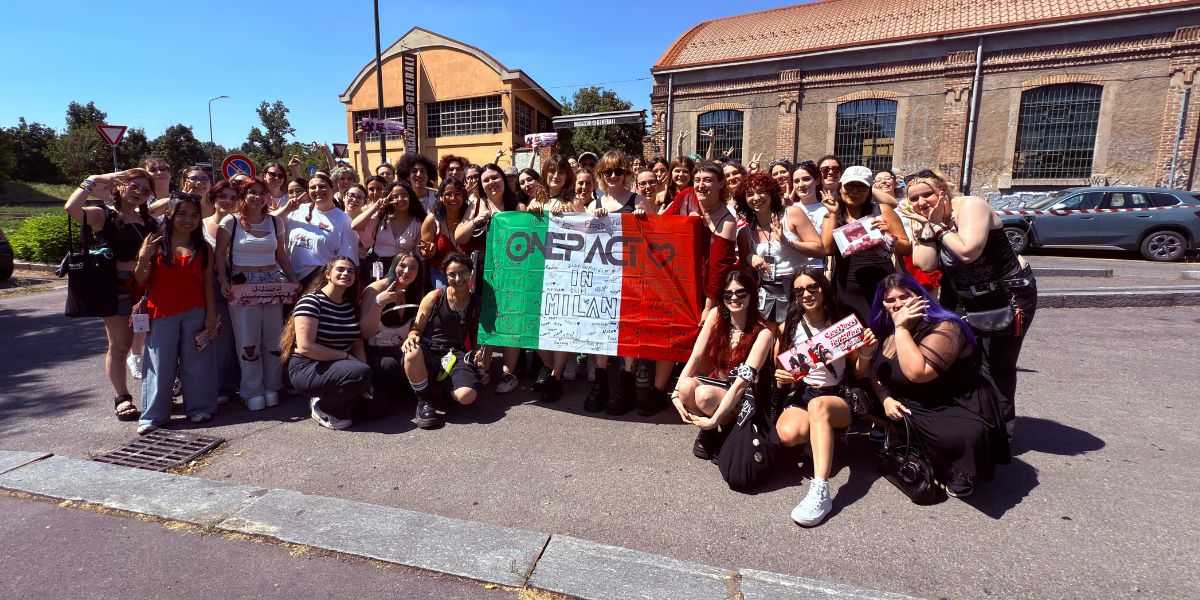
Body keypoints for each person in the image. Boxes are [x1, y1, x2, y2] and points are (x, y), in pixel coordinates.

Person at [899, 173, 1036, 439]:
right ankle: (968, 423)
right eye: (913, 198)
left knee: (998, 365)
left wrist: (937, 227)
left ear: (943, 191)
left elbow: (968, 252)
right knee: (956, 359)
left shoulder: (971, 206)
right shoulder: (923, 219)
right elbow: (925, 263)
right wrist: (926, 229)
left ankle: (1000, 435)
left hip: (1006, 295)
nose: (921, 202)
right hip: (960, 296)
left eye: (927, 194)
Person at [869, 274, 1011, 497]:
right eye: (890, 300)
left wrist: (902, 329)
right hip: (909, 397)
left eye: (904, 297)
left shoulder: (946, 326)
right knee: (859, 393)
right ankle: (905, 437)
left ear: (920, 297)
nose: (897, 304)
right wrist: (884, 398)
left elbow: (917, 373)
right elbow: (873, 369)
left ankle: (956, 468)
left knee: (959, 436)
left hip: (951, 401)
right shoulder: (886, 329)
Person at [773, 268, 877, 526]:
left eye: (812, 287)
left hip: (836, 396)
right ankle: (821, 438)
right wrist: (783, 378)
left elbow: (858, 372)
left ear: (823, 288)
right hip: (804, 393)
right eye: (799, 290)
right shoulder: (788, 328)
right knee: (788, 434)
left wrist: (865, 353)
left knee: (819, 406)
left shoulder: (842, 324)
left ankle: (820, 489)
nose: (807, 294)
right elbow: (782, 372)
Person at [64, 168, 157, 422]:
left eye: (145, 190)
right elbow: (72, 209)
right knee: (120, 345)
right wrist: (92, 180)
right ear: (120, 186)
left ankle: (156, 391)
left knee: (154, 343)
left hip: (148, 288)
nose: (138, 192)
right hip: (116, 288)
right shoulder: (104, 215)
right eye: (134, 186)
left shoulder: (147, 220)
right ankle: (122, 397)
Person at [132, 194, 218, 434]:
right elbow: (141, 279)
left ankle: (200, 408)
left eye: (194, 215)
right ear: (169, 215)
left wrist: (211, 315)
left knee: (197, 363)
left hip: (196, 311)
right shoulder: (156, 243)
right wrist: (143, 258)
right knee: (159, 365)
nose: (188, 219)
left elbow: (208, 284)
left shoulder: (204, 248)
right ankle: (153, 416)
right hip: (162, 312)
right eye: (182, 214)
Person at [672, 270, 775, 460]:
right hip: (718, 383)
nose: (734, 298)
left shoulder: (763, 334)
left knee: (704, 395)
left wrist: (714, 420)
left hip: (743, 394)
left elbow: (741, 384)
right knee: (686, 386)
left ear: (752, 295)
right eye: (728, 294)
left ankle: (727, 431)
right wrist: (675, 394)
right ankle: (709, 433)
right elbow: (696, 357)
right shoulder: (716, 315)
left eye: (741, 292)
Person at [215, 177, 297, 411]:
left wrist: (292, 279)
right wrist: (223, 280)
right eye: (252, 192)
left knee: (273, 337)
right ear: (243, 195)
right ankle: (251, 390)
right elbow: (219, 254)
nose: (258, 197)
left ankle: (273, 385)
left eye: (262, 193)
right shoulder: (230, 222)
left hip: (272, 284)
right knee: (247, 339)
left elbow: (281, 256)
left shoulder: (275, 222)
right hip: (243, 285)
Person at [583, 150, 653, 414]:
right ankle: (601, 380)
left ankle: (627, 380)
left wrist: (644, 218)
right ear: (601, 174)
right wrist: (593, 221)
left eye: (618, 171)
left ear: (626, 173)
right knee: (601, 327)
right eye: (608, 172)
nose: (613, 176)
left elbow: (659, 235)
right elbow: (583, 241)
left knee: (628, 327)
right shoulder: (594, 204)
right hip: (602, 277)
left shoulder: (638, 200)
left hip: (632, 276)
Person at [280, 256, 372, 430]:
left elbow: (357, 344)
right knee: (359, 373)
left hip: (340, 366)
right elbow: (306, 347)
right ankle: (323, 407)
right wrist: (347, 358)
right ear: (328, 274)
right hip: (308, 366)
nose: (346, 273)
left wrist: (366, 380)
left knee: (376, 407)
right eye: (341, 269)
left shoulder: (350, 306)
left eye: (351, 271)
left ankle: (339, 404)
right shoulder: (311, 302)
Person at [402, 252, 484, 429]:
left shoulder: (476, 302)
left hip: (456, 353)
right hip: (429, 350)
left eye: (462, 272)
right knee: (411, 352)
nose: (458, 278)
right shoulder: (435, 296)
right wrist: (411, 338)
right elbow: (416, 329)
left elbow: (479, 337)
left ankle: (444, 388)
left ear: (470, 272)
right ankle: (424, 401)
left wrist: (479, 356)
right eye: (451, 274)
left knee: (467, 396)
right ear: (445, 276)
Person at [820, 165, 910, 321]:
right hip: (846, 287)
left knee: (884, 328)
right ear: (840, 188)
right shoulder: (831, 216)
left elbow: (907, 248)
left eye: (861, 187)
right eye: (849, 186)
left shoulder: (882, 210)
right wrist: (834, 214)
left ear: (869, 191)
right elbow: (828, 249)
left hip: (881, 283)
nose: (854, 191)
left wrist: (888, 236)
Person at [733, 173, 822, 324]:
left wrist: (787, 242)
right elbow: (744, 271)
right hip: (766, 292)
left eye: (762, 191)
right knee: (770, 335)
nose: (756, 198)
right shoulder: (744, 232)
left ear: (771, 193)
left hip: (797, 288)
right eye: (750, 194)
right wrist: (749, 258)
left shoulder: (792, 214)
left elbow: (819, 250)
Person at [359, 251, 423, 420]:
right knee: (374, 410)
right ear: (394, 266)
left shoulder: (416, 290)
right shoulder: (375, 290)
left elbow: (418, 326)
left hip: (402, 349)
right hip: (377, 352)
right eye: (402, 266)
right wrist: (379, 304)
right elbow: (364, 332)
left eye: (413, 268)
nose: (407, 271)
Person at [277, 173, 360, 288]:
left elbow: (347, 260)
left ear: (333, 189)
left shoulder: (344, 220)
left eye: (322, 186)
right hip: (289, 278)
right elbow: (268, 223)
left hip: (320, 281)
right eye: (313, 187)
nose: (317, 190)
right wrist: (285, 210)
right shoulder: (296, 210)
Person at [200, 180, 241, 404]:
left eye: (233, 198)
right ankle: (214, 387)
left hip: (239, 286)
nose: (228, 201)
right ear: (213, 199)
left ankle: (230, 385)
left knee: (234, 338)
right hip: (209, 286)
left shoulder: (241, 224)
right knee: (213, 337)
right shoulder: (201, 226)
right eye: (222, 196)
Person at [354, 179, 425, 285]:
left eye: (404, 195)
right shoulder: (381, 217)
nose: (400, 199)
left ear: (410, 197)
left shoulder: (418, 223)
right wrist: (377, 206)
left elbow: (419, 255)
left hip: (403, 271)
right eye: (395, 196)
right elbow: (355, 226)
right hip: (378, 267)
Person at [419, 177, 469, 288]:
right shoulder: (432, 220)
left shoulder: (471, 216)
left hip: (468, 271)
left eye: (457, 194)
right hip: (440, 272)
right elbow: (424, 250)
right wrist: (429, 251)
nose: (453, 198)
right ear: (441, 197)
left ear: (464, 196)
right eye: (448, 194)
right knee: (444, 297)